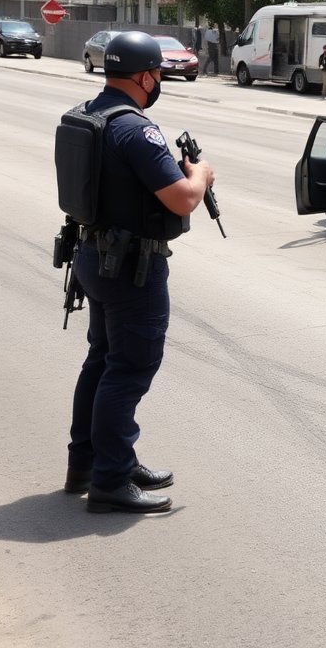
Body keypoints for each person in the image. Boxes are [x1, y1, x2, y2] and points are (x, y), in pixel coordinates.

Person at [62, 32, 215, 514]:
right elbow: (182, 198)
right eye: (157, 76)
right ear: (145, 76)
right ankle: (109, 481)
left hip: (93, 256)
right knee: (128, 369)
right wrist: (201, 174)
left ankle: (91, 463)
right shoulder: (136, 130)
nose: (158, 83)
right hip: (131, 268)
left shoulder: (88, 113)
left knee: (102, 360)